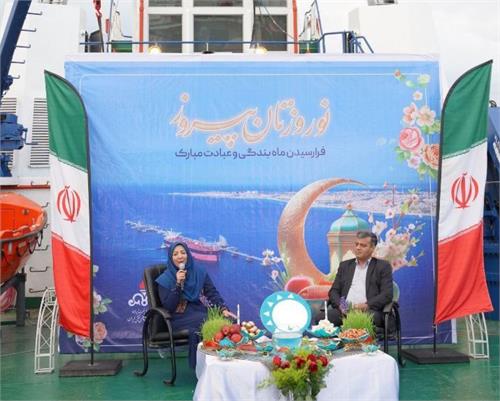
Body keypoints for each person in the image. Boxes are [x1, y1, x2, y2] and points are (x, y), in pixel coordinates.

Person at [156, 241, 236, 369]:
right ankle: (202, 366)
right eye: (175, 254)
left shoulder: (198, 271)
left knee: (229, 320)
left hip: (197, 310)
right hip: (177, 316)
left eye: (183, 252)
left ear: (188, 254)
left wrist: (223, 309)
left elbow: (211, 292)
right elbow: (169, 307)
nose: (180, 256)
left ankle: (226, 362)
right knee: (205, 321)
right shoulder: (165, 279)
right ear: (171, 258)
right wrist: (178, 284)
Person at [326, 231, 393, 328]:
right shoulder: (345, 266)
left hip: (369, 311)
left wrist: (367, 305)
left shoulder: (382, 266)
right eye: (356, 244)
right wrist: (342, 305)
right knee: (323, 318)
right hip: (345, 311)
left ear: (372, 248)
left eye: (363, 245)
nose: (358, 248)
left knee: (368, 318)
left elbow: (387, 294)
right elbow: (334, 291)